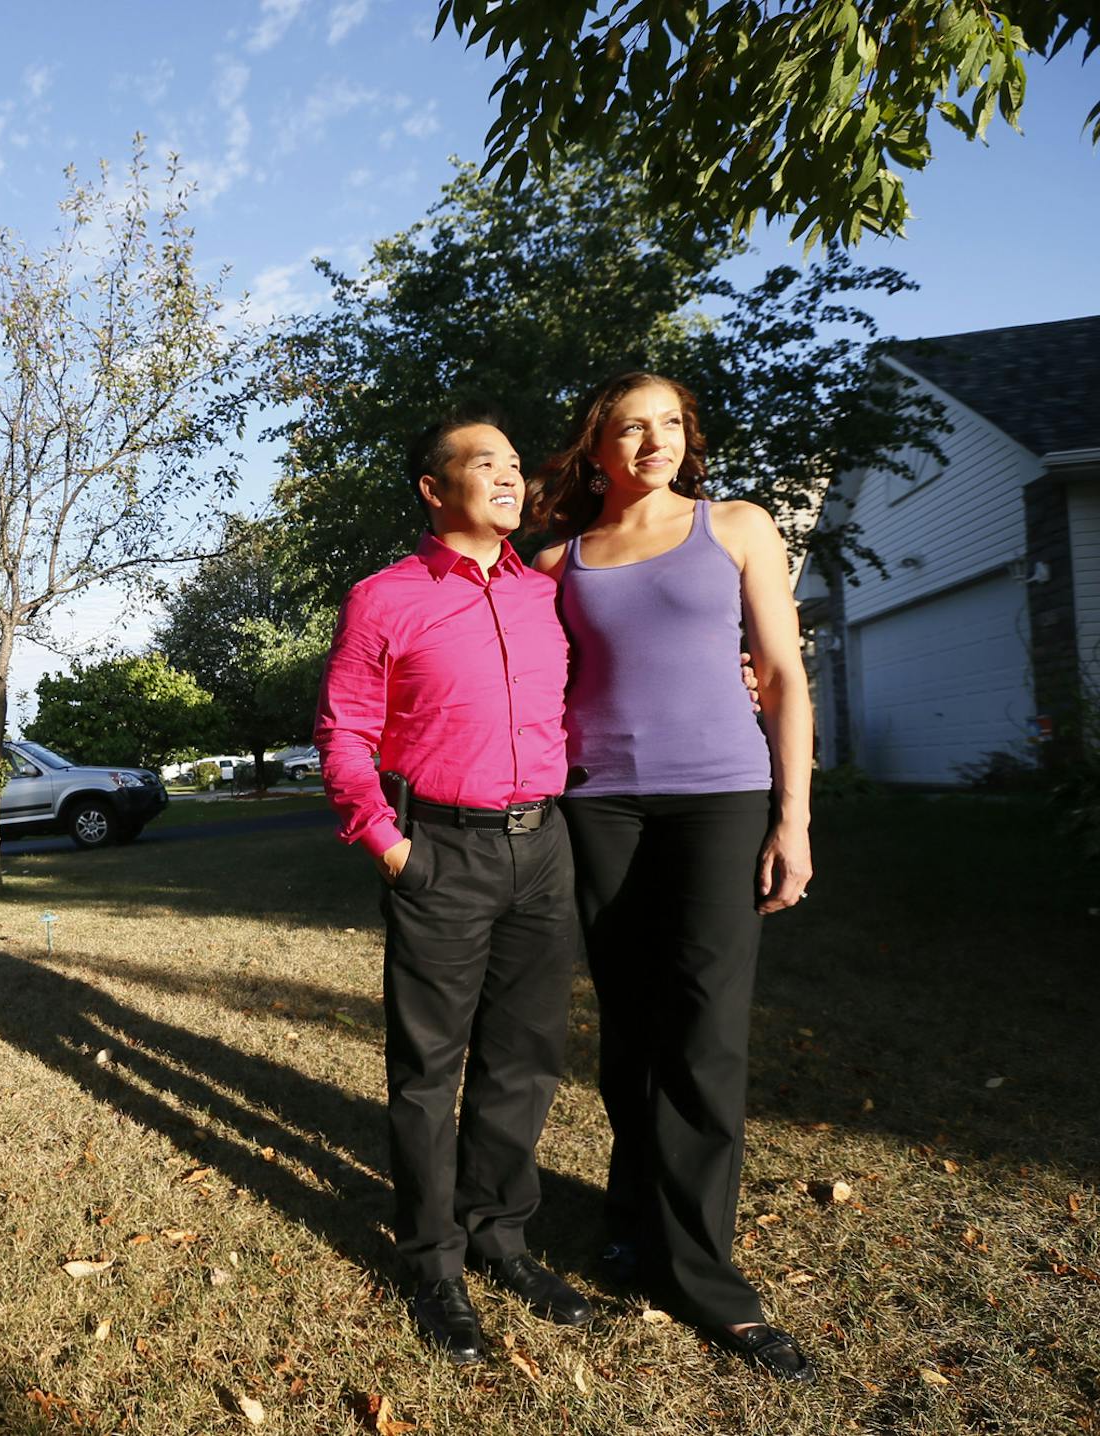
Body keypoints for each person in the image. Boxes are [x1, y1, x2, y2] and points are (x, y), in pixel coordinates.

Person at [529, 371, 816, 1382]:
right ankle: (631, 1214)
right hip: (598, 803)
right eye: (630, 425)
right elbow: (526, 679)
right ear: (597, 444)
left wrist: (794, 816)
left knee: (704, 1029)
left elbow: (780, 675)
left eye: (669, 424)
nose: (653, 439)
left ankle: (704, 1281)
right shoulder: (560, 557)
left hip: (720, 798)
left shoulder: (735, 526)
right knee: (631, 1027)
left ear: (687, 437)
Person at [314, 407, 592, 1365]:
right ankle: (433, 1261)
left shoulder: (545, 592)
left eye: (515, 464)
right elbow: (344, 732)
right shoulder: (383, 598)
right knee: (430, 1073)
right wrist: (391, 844)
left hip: (544, 849)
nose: (511, 477)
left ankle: (502, 1236)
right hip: (442, 851)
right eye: (486, 464)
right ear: (435, 491)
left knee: (525, 1058)